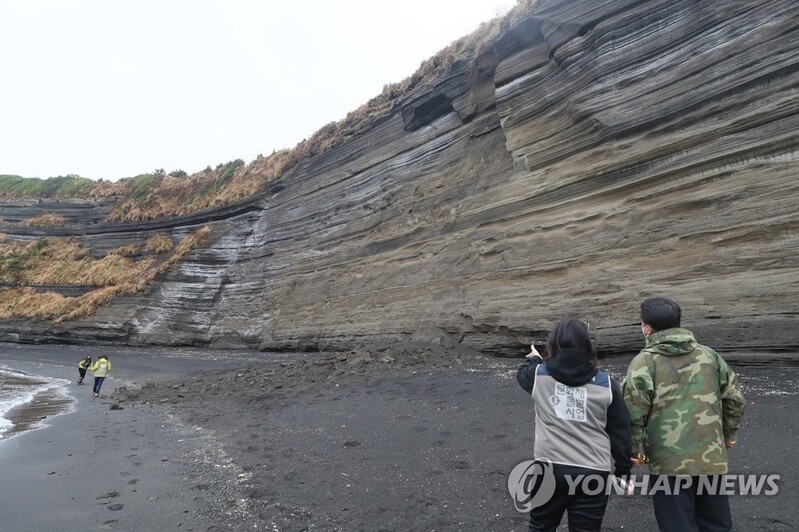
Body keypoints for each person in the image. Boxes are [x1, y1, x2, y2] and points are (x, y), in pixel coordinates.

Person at [623, 297, 746, 532]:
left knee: (676, 524)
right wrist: (729, 434)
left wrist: (634, 452)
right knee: (716, 523)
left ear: (647, 328)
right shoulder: (709, 356)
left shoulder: (644, 362)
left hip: (668, 461)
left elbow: (633, 411)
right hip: (710, 455)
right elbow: (735, 398)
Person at [517, 319, 632, 532]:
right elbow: (621, 431)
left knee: (541, 526)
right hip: (593, 469)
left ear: (553, 345)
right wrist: (623, 470)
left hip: (550, 467)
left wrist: (535, 359)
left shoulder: (538, 376)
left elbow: (522, 374)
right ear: (587, 346)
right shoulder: (606, 384)